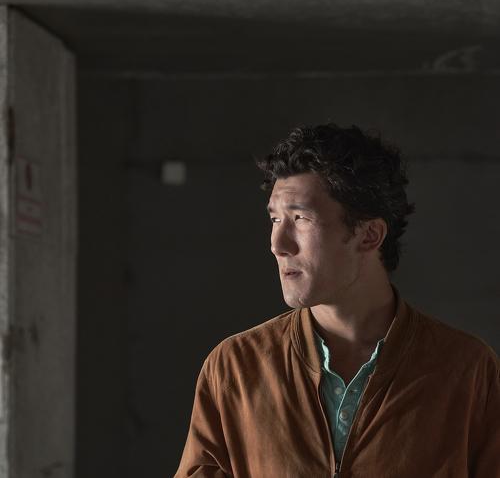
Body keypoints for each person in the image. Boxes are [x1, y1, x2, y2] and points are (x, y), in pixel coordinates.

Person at [175, 123, 499, 478]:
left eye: (300, 218)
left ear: (369, 235)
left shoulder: (467, 370)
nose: (277, 244)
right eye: (275, 219)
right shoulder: (235, 368)